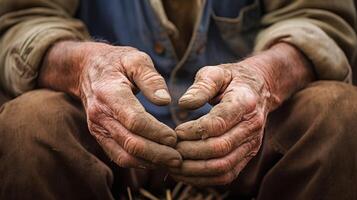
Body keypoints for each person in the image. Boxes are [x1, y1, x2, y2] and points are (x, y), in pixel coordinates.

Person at [0, 0, 356, 199]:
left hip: (258, 129)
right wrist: (84, 67)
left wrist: (263, 80)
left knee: (340, 113)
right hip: (99, 131)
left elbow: (317, 17)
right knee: (30, 125)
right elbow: (23, 21)